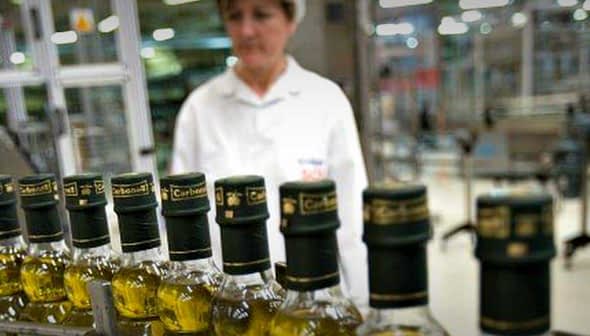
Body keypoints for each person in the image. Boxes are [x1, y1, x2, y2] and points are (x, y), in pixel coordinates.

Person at [170, 0, 368, 304]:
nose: (247, 30)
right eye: (235, 16)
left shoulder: (326, 100)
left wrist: (362, 304)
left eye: (261, 15)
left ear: (291, 21)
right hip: (230, 307)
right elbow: (180, 224)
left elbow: (352, 217)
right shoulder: (199, 109)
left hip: (315, 305)